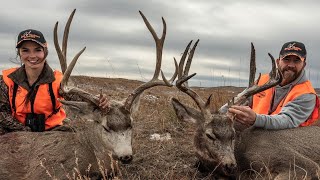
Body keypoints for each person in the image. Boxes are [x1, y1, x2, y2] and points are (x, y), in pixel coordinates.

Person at [0, 29, 109, 134]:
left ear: (45, 51)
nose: (32, 56)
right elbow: (2, 113)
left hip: (52, 133)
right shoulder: (8, 80)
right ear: (19, 53)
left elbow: (78, 99)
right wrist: (25, 132)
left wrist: (98, 102)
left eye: (38, 50)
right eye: (25, 50)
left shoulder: (58, 81)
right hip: (17, 133)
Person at [229, 41, 319, 130]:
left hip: (284, 139)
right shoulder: (262, 81)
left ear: (304, 65)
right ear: (278, 61)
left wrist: (256, 119)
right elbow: (241, 100)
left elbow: (287, 120)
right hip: (255, 130)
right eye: (286, 59)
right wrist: (221, 112)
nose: (291, 65)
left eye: (296, 61)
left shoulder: (306, 93)